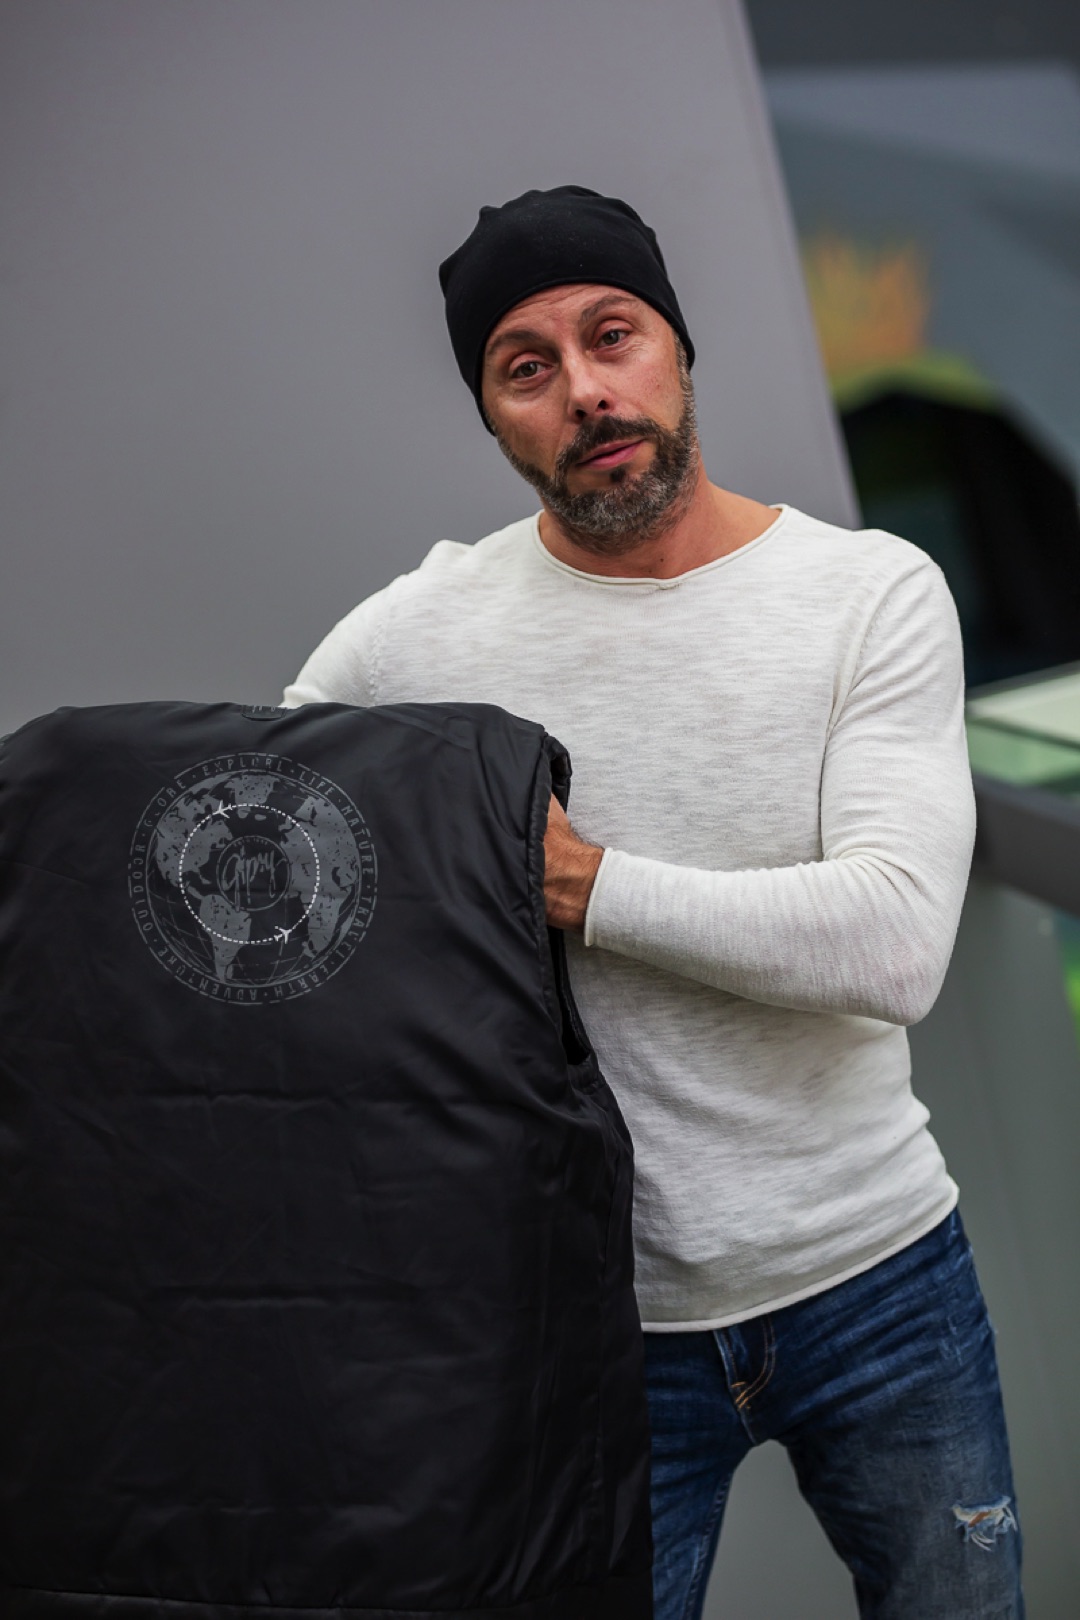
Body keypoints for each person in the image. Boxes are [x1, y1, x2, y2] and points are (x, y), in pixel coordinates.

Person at [283, 186, 1023, 1620]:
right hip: (594, 1322)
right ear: (493, 418)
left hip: (880, 1276)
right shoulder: (420, 634)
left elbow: (891, 941)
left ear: (678, 347)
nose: (584, 389)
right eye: (526, 366)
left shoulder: (868, 595)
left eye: (611, 335)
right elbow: (256, 839)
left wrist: (577, 882)